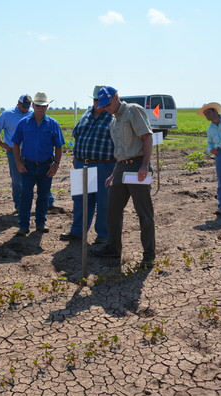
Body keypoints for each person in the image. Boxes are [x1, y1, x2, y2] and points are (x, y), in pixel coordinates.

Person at [90, 86, 156, 267]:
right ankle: (113, 248)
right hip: (120, 167)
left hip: (137, 166)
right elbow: (120, 151)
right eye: (103, 105)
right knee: (112, 210)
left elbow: (147, 138)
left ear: (117, 97)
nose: (106, 108)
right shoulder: (113, 121)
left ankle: (149, 254)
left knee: (143, 212)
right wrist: (113, 174)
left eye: (108, 104)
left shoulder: (133, 111)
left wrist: (144, 165)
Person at [60, 85, 114, 244]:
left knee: (104, 202)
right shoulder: (85, 115)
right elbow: (77, 135)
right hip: (82, 164)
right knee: (80, 201)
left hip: (105, 165)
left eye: (102, 100)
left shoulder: (114, 118)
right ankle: (77, 231)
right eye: (97, 100)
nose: (99, 103)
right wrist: (76, 158)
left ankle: (103, 235)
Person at [12, 92, 65, 236]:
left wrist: (56, 164)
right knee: (26, 195)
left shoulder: (53, 124)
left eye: (44, 106)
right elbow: (16, 143)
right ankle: (24, 225)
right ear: (33, 106)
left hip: (46, 166)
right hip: (28, 166)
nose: (41, 108)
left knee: (43, 196)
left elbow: (59, 146)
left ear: (47, 106)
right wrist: (18, 162)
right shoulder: (23, 123)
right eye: (38, 106)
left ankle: (41, 223)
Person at [0, 94, 56, 213]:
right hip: (14, 151)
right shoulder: (7, 115)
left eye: (28, 106)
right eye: (24, 106)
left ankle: (49, 202)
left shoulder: (32, 114)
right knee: (17, 179)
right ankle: (19, 205)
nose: (26, 108)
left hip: (30, 151)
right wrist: (1, 144)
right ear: (18, 103)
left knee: (41, 176)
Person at [197, 102, 221, 217]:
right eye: (204, 114)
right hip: (220, 154)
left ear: (215, 111)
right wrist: (211, 150)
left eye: (208, 112)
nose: (206, 115)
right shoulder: (210, 129)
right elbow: (209, 143)